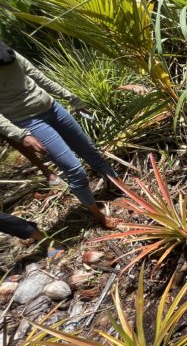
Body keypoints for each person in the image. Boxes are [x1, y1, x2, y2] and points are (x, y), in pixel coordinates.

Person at [0, 40, 116, 228]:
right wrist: (21, 135)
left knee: (91, 152)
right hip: (29, 121)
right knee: (75, 170)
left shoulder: (7, 52)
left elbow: (39, 77)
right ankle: (97, 215)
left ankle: (119, 186)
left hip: (53, 108)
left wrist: (72, 99)